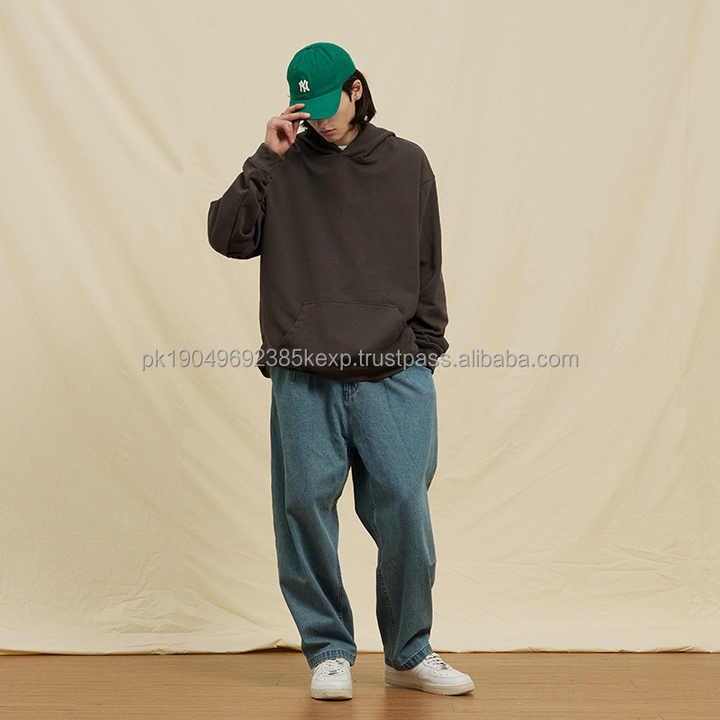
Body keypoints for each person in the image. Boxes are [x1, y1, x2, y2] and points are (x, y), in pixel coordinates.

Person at [207, 41, 474, 700]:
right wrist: (264, 158)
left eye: (330, 104)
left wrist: (424, 353)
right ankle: (328, 650)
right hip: (304, 372)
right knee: (303, 510)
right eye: (310, 110)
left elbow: (428, 263)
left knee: (405, 508)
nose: (321, 120)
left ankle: (409, 651)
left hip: (394, 371)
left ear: (356, 89)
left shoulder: (407, 163)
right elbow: (227, 237)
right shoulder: (281, 167)